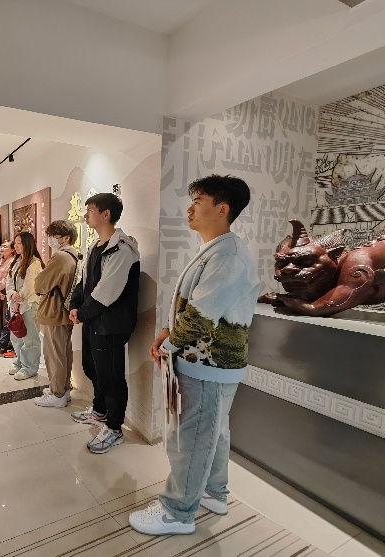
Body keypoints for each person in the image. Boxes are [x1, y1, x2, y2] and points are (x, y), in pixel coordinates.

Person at [128, 175, 260, 536]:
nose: (190, 209)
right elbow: (194, 307)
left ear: (222, 208)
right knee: (212, 433)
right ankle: (214, 493)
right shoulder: (218, 249)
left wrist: (168, 344)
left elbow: (201, 314)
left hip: (209, 365)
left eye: (198, 201)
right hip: (206, 365)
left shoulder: (228, 255)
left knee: (194, 439)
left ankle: (177, 512)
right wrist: (167, 334)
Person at [68, 193, 139, 454]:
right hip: (93, 320)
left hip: (110, 324)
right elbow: (84, 281)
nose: (85, 215)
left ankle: (114, 427)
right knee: (92, 367)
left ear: (105, 214)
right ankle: (99, 411)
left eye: (90, 210)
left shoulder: (122, 249)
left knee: (111, 376)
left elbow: (107, 290)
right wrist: (75, 305)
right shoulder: (95, 246)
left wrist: (82, 313)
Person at [33, 220, 80, 408]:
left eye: (54, 236)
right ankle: (63, 389)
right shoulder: (74, 255)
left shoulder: (60, 257)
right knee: (63, 352)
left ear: (65, 238)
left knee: (54, 354)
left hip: (55, 310)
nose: (50, 239)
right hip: (66, 311)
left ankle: (57, 393)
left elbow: (40, 284)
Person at [6, 232, 44, 380]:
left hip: (28, 305)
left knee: (30, 338)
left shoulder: (35, 263)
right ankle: (20, 362)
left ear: (27, 244)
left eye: (19, 243)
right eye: (15, 242)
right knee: (17, 336)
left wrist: (18, 300)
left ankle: (30, 368)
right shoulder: (17, 261)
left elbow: (29, 287)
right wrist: (12, 294)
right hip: (16, 305)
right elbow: (9, 281)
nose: (16, 246)